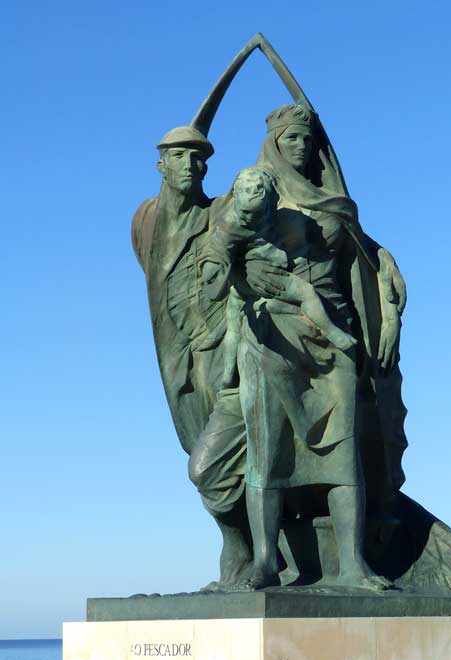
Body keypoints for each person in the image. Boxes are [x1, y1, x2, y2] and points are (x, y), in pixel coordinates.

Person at [222, 104, 407, 591]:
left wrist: (388, 307)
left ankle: (352, 564)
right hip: (273, 334)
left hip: (333, 334)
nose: (300, 147)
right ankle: (266, 561)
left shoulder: (333, 200)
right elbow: (219, 255)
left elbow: (367, 255)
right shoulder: (252, 190)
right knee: (268, 451)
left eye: (307, 139)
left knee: (344, 454)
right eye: (290, 138)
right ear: (273, 142)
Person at [131, 126, 251, 587]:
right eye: (179, 156)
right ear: (161, 165)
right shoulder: (145, 220)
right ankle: (249, 549)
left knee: (212, 461)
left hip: (221, 348)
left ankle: (243, 549)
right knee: (196, 448)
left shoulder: (221, 211)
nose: (191, 165)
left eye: (198, 158)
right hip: (176, 358)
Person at [199, 165, 358, 388]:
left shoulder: (233, 219)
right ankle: (331, 330)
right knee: (306, 292)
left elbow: (217, 252)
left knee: (233, 323)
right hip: (268, 276)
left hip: (243, 286)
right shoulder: (241, 219)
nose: (248, 219)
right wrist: (213, 272)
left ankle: (227, 374)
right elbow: (217, 253)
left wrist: (214, 271)